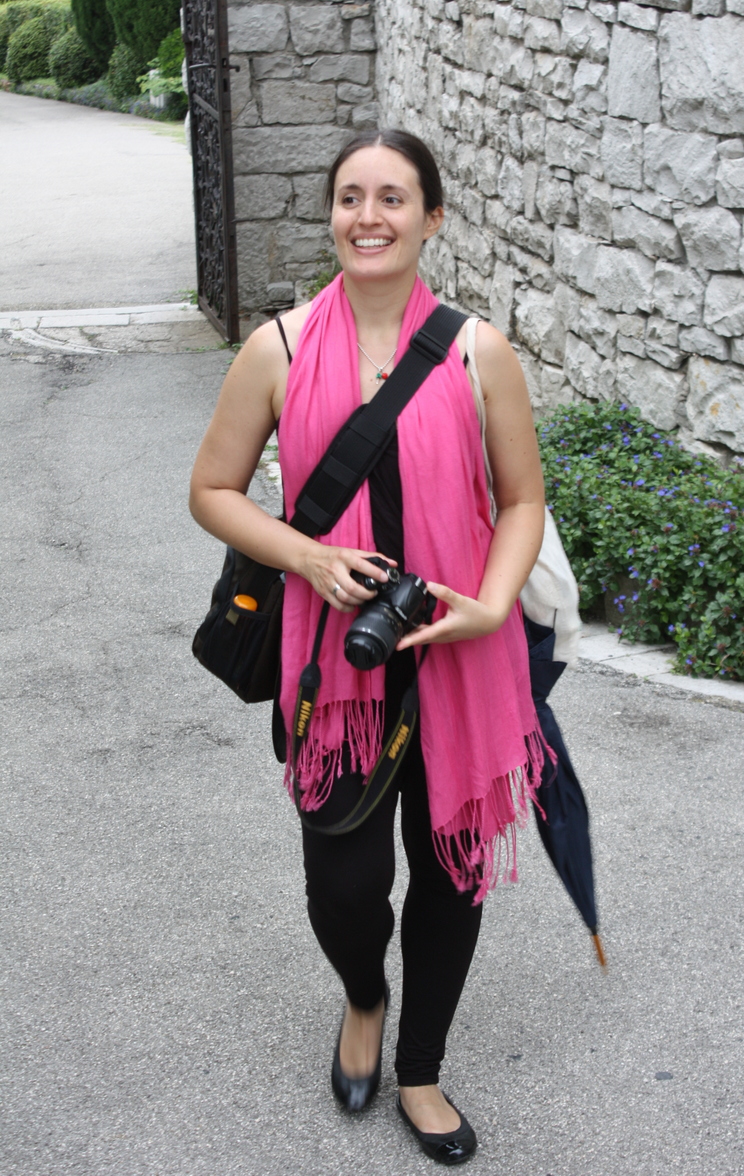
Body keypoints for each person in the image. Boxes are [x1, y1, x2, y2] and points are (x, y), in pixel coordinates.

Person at [189, 129, 549, 1165]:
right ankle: (362, 994)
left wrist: (490, 604)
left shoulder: (478, 352)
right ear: (332, 215)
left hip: (457, 654)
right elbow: (211, 490)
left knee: (450, 874)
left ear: (431, 218)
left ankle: (421, 1069)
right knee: (344, 888)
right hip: (331, 662)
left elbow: (522, 501)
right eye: (351, 197)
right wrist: (305, 557)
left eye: (393, 198)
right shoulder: (279, 348)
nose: (369, 217)